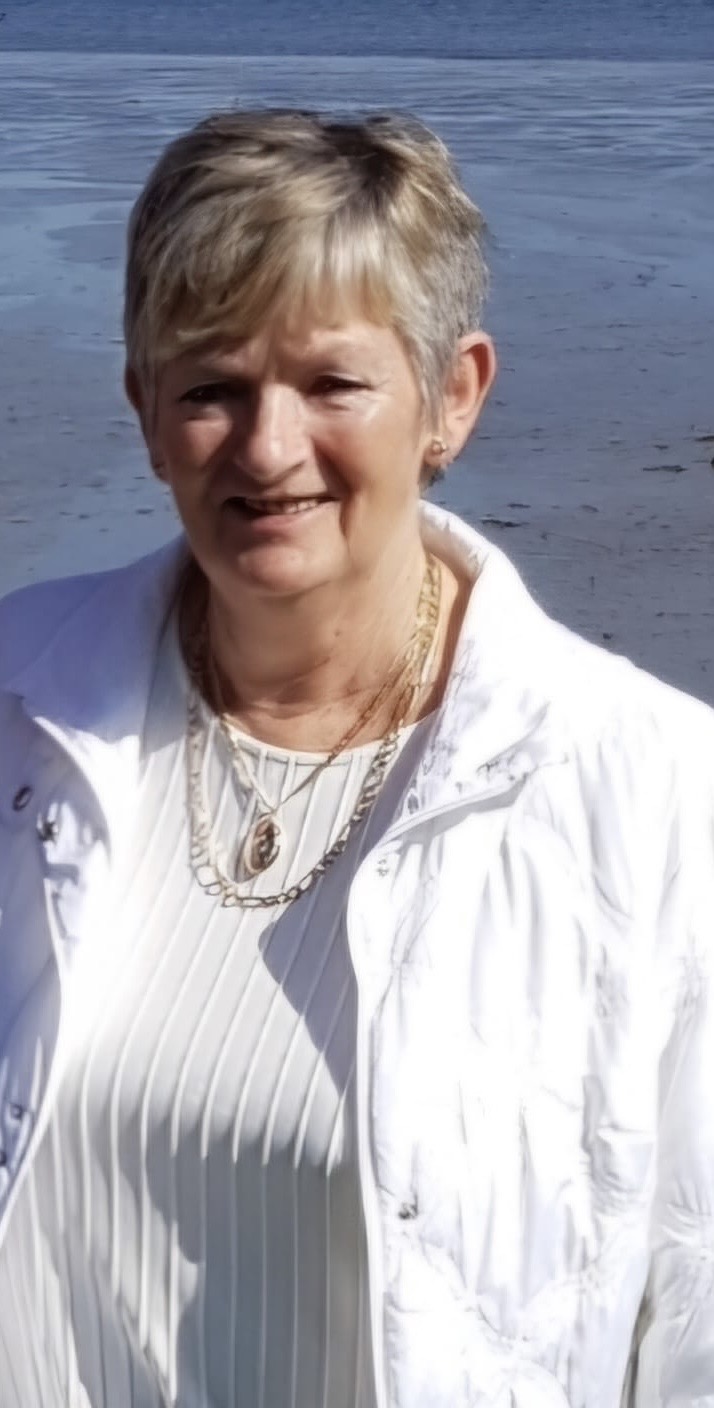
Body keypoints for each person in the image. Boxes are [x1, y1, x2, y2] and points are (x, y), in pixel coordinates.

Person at [0, 108, 712, 1408]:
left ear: (453, 396)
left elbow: (696, 1306)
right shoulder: (20, 709)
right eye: (211, 386)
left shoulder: (654, 791)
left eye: (332, 384)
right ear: (145, 410)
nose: (268, 449)